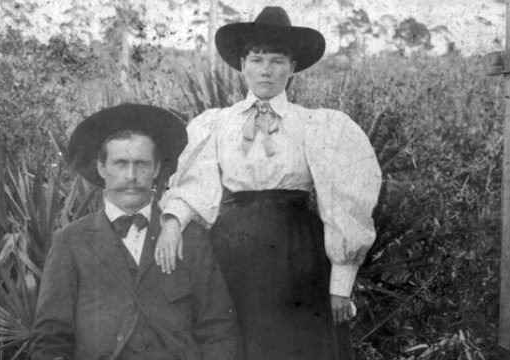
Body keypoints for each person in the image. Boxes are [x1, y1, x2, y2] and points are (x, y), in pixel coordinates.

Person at [155, 7, 382, 360]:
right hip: (234, 252)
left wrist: (341, 284)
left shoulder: (317, 126)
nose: (266, 70)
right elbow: (195, 187)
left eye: (277, 61)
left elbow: (345, 203)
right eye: (257, 59)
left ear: (292, 68)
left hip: (298, 256)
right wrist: (171, 223)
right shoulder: (216, 125)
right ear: (242, 64)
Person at [31, 104, 241, 360]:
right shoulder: (71, 241)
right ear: (101, 168)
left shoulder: (190, 237)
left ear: (155, 170)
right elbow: (50, 339)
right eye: (120, 164)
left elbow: (218, 328)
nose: (131, 175)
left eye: (141, 164)